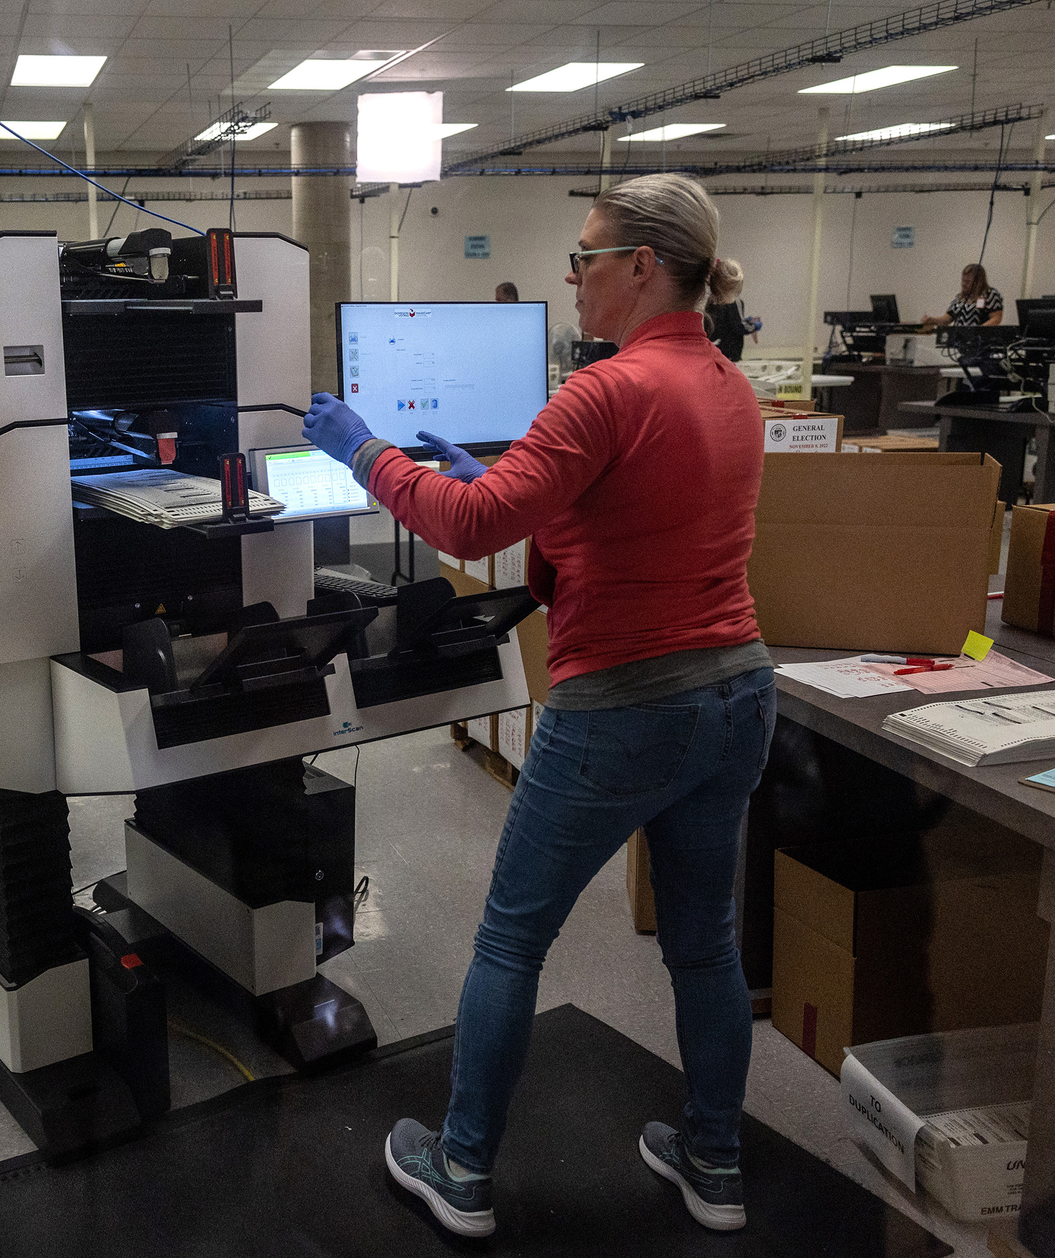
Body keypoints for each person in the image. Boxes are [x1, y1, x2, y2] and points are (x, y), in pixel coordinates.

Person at [302, 172, 774, 1239]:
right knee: (705, 943)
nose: (574, 277)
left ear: (642, 268)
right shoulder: (730, 387)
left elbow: (466, 530)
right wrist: (516, 477)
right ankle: (715, 1159)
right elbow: (631, 515)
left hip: (624, 703)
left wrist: (362, 448)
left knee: (511, 939)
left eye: (586, 257)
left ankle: (461, 1166)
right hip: (738, 692)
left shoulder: (604, 390)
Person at [918, 263, 1004, 330]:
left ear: (978, 281)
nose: (964, 284)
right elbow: (948, 318)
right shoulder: (960, 298)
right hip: (962, 343)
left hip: (983, 343)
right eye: (963, 280)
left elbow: (996, 318)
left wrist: (977, 331)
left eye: (968, 281)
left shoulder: (990, 294)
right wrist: (932, 320)